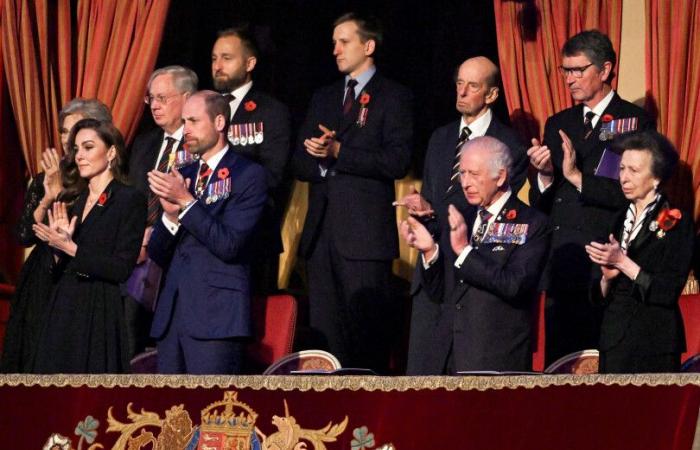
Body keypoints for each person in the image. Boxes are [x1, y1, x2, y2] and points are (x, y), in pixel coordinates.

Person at [292, 12, 413, 372]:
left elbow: (396, 161)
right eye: (333, 42)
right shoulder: (324, 97)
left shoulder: (394, 96)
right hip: (321, 236)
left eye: (344, 42)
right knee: (325, 338)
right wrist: (319, 157)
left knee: (365, 337)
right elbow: (299, 162)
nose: (335, 50)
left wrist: (341, 153)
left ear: (369, 46)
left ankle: (366, 419)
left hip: (364, 238)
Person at [527, 30, 655, 364]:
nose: (569, 79)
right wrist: (544, 174)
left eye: (578, 70)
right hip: (563, 260)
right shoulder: (560, 122)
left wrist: (575, 177)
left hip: (603, 261)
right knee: (561, 369)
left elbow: (630, 193)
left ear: (605, 69)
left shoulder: (633, 122)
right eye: (565, 71)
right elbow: (542, 203)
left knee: (602, 368)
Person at [394, 56, 528, 374]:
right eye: (459, 83)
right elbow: (432, 196)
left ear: (492, 95)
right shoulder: (440, 138)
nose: (462, 91)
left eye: (473, 85)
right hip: (430, 273)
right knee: (422, 381)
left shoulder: (508, 146)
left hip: (470, 281)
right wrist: (421, 209)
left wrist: (435, 213)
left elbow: (492, 211)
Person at [400, 136, 549, 373]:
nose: (465, 183)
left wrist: (465, 252)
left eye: (474, 174)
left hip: (494, 357)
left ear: (500, 177)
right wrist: (430, 252)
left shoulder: (532, 223)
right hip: (448, 355)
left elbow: (514, 285)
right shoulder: (461, 217)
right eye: (462, 174)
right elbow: (440, 293)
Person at [147, 91, 267, 374]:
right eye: (184, 121)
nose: (185, 129)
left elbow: (230, 244)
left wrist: (187, 203)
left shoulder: (247, 175)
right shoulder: (183, 173)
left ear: (219, 122)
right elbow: (157, 253)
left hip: (216, 316)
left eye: (193, 121)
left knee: (211, 411)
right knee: (169, 412)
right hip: (173, 315)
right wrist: (170, 216)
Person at [1, 99, 112, 373]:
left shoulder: (104, 181)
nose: (67, 139)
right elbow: (24, 235)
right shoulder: (47, 178)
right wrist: (49, 196)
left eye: (76, 131)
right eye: (64, 131)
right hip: (40, 280)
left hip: (76, 279)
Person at [31, 118, 146, 373]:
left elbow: (121, 268)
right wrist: (58, 248)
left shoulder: (130, 199)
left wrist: (71, 248)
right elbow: (57, 267)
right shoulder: (77, 200)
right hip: (63, 304)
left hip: (98, 309)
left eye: (88, 147)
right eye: (76, 149)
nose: (79, 156)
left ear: (112, 152)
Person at [585, 131, 693, 373]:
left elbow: (667, 291)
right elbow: (597, 295)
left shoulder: (676, 221)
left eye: (633, 171)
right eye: (622, 169)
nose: (624, 177)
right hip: (613, 339)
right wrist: (606, 278)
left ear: (656, 178)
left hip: (654, 340)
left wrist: (623, 263)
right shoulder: (616, 219)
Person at [212, 26, 292, 295]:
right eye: (214, 59)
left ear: (250, 63)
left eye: (226, 57)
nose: (218, 65)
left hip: (251, 235)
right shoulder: (203, 108)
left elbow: (273, 175)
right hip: (204, 234)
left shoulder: (271, 111)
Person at [127, 65, 198, 358]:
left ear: (186, 97)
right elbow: (131, 200)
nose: (154, 105)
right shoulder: (144, 143)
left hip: (178, 254)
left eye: (162, 98)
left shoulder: (199, 143)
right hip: (137, 258)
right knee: (129, 338)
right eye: (150, 98)